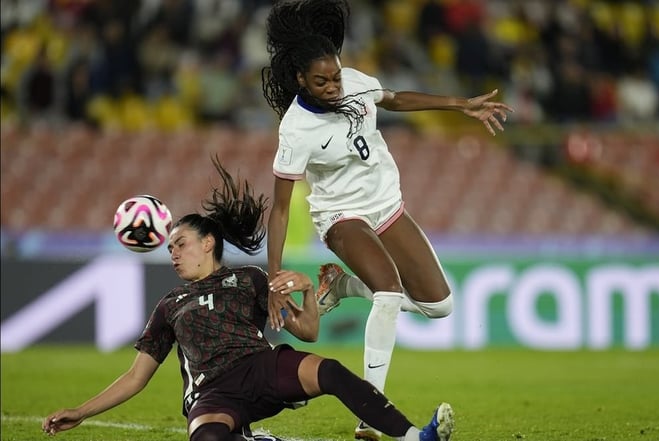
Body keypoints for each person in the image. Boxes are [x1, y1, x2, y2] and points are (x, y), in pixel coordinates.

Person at [42, 157, 455, 441]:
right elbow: (136, 377)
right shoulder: (170, 304)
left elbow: (309, 332)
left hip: (262, 368)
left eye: (180, 244)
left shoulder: (250, 279)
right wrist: (81, 411)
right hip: (211, 392)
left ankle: (414, 436)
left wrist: (309, 291)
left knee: (330, 372)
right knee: (208, 437)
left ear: (208, 243)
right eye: (169, 249)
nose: (173, 254)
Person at [261, 0, 513, 439]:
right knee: (389, 291)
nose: (334, 86)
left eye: (336, 75)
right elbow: (280, 207)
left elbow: (393, 99)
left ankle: (342, 286)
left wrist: (459, 105)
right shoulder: (296, 131)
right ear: (299, 79)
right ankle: (370, 412)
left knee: (440, 306)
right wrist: (273, 274)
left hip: (386, 204)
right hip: (341, 215)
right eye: (321, 81)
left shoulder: (355, 83)